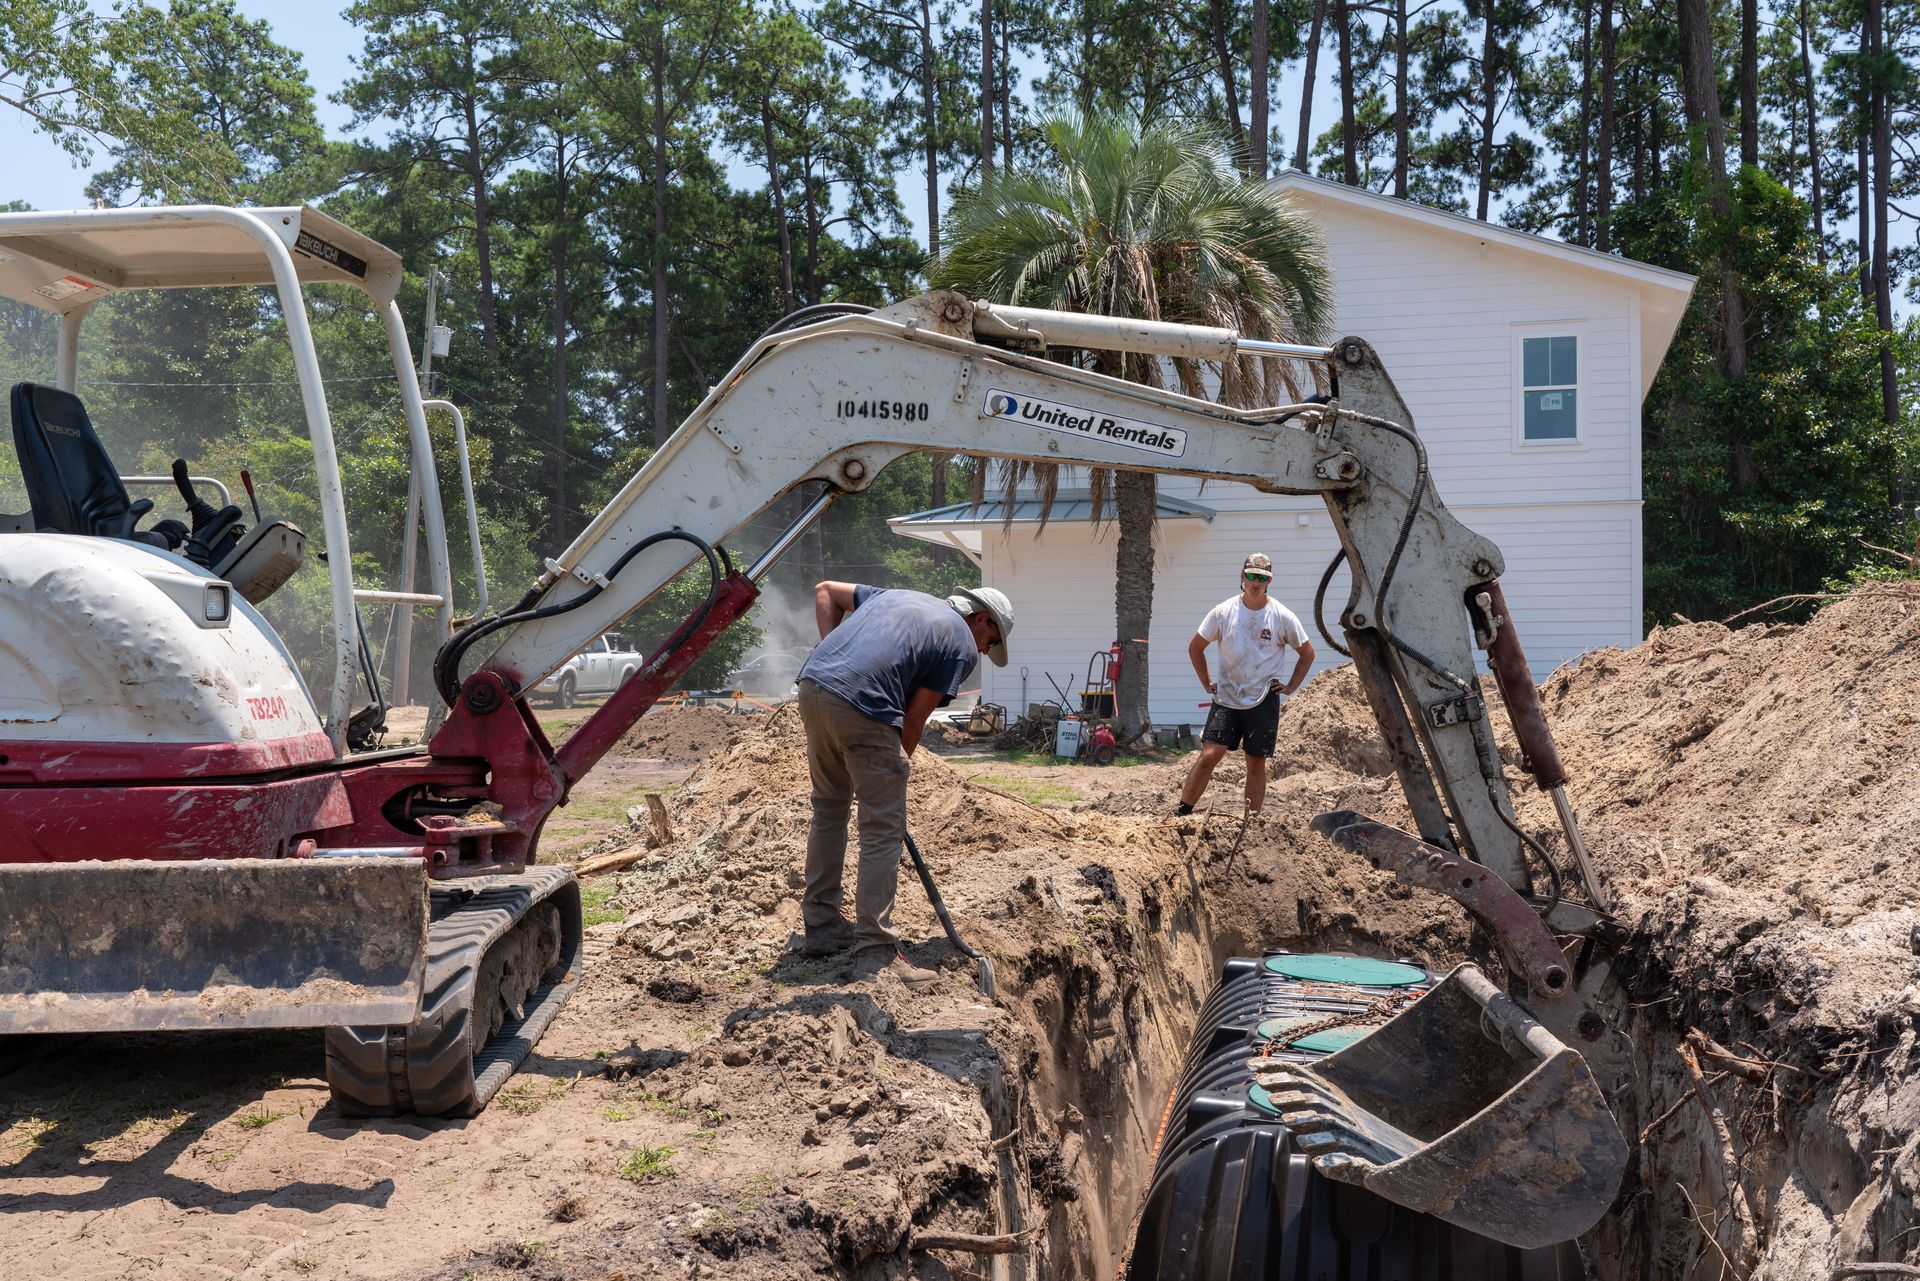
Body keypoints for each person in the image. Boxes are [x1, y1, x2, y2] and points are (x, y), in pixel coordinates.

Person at [795, 580, 1014, 989]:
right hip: (864, 703)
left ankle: (822, 927)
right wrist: (893, 779)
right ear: (980, 619)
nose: (985, 651)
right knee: (882, 828)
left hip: (815, 687)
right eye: (992, 641)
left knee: (829, 809)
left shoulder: (894, 596)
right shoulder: (960, 643)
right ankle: (876, 952)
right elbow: (913, 720)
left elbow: (825, 591)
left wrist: (839, 658)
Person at [1176, 553, 1314, 818]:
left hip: (1262, 699)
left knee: (1255, 762)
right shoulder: (1223, 611)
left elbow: (1307, 653)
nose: (1255, 582)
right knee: (1210, 754)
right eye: (1251, 576)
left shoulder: (1282, 616)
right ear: (1242, 576)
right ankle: (1182, 813)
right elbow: (1196, 647)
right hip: (1227, 696)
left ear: (1269, 581)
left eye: (1262, 577)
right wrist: (1206, 682)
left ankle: (1252, 822)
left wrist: (1290, 687)